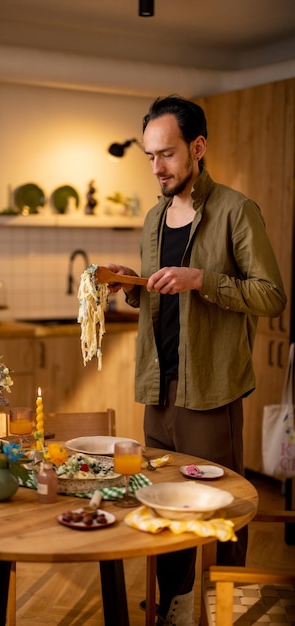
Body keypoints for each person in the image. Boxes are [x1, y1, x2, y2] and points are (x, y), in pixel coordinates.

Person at [106, 95, 287, 626]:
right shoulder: (154, 219)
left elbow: (272, 295)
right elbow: (158, 298)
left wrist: (202, 280)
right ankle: (171, 606)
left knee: (220, 511)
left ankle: (222, 609)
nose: (157, 168)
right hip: (158, 393)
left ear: (197, 148)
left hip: (209, 391)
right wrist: (131, 285)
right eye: (149, 157)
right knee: (162, 507)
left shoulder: (237, 210)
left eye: (166, 154)